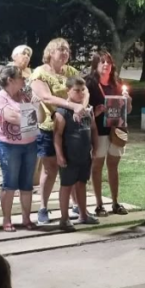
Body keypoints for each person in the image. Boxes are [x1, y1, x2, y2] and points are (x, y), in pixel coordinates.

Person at [29, 38, 88, 225]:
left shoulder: (71, 71)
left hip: (72, 127)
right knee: (51, 168)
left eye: (67, 50)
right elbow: (46, 97)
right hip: (49, 126)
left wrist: (82, 108)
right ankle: (43, 207)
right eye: (61, 49)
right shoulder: (40, 73)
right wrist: (73, 106)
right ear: (50, 52)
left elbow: (84, 91)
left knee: (71, 167)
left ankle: (76, 205)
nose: (65, 53)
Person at [0, 66, 38, 232]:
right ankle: (7, 219)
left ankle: (26, 218)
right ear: (10, 80)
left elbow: (40, 115)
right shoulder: (0, 97)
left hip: (30, 144)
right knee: (10, 182)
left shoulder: (25, 96)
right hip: (8, 145)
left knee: (27, 183)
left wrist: (33, 112)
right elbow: (10, 117)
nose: (24, 80)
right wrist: (32, 114)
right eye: (20, 77)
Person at [85, 51, 132, 217]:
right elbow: (83, 109)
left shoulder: (116, 84)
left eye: (109, 62)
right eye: (102, 62)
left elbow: (127, 110)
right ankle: (99, 204)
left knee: (113, 166)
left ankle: (115, 202)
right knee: (97, 166)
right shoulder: (89, 84)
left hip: (116, 131)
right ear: (96, 65)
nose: (106, 65)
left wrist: (128, 101)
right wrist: (96, 111)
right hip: (98, 131)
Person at [54, 77, 100, 231]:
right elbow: (57, 135)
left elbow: (93, 129)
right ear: (68, 91)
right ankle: (64, 218)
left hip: (84, 155)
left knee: (82, 184)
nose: (80, 94)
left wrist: (95, 148)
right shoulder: (62, 112)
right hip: (69, 156)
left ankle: (83, 214)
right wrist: (60, 155)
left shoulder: (87, 111)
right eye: (76, 90)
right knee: (66, 186)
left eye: (82, 90)